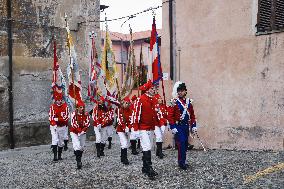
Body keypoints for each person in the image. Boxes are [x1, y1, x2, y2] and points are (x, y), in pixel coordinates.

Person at [132, 80, 159, 180]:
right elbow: (135, 114)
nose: (154, 90)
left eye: (154, 88)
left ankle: (144, 167)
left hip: (151, 127)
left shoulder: (155, 99)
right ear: (147, 90)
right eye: (152, 88)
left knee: (149, 147)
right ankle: (149, 168)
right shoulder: (140, 99)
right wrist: (135, 129)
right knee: (147, 146)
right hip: (142, 127)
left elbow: (156, 113)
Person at [168, 81, 197, 170]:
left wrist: (194, 125)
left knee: (184, 144)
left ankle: (183, 161)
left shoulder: (189, 102)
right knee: (181, 143)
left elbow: (192, 115)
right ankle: (181, 163)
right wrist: (172, 127)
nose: (180, 92)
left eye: (182, 90)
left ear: (185, 91)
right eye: (179, 91)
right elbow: (170, 115)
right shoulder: (174, 102)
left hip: (186, 126)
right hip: (178, 126)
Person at [48, 92, 69, 161]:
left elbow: (66, 118)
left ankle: (59, 155)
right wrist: (54, 124)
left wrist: (57, 119)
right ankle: (55, 156)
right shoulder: (52, 107)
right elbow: (51, 117)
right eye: (58, 100)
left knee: (61, 141)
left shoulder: (65, 107)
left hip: (62, 126)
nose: (59, 101)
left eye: (60, 100)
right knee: (54, 140)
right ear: (56, 100)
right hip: (54, 126)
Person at [70, 100, 90, 169]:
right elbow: (73, 123)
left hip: (83, 132)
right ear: (77, 108)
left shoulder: (86, 114)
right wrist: (79, 131)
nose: (82, 109)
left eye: (83, 107)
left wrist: (83, 130)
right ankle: (79, 162)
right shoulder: (73, 114)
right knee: (77, 146)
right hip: (74, 132)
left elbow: (87, 123)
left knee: (81, 147)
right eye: (81, 107)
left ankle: (78, 156)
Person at [116, 97, 132, 165]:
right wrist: (124, 127)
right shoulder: (120, 110)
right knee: (125, 142)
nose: (127, 104)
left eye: (128, 103)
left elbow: (131, 120)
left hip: (128, 129)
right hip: (120, 129)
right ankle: (125, 158)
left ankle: (122, 157)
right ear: (123, 103)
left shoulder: (131, 111)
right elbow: (119, 120)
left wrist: (128, 127)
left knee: (126, 144)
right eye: (126, 103)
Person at [154, 94, 168, 159]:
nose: (160, 100)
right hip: (156, 124)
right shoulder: (155, 107)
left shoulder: (164, 106)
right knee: (159, 136)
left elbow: (166, 114)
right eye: (158, 99)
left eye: (161, 98)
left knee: (160, 137)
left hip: (163, 124)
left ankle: (158, 151)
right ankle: (160, 152)